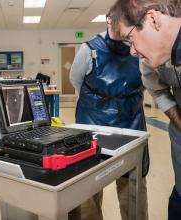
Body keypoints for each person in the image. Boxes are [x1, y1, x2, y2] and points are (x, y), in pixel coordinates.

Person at [69, 18, 149, 220]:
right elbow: (76, 80)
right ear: (109, 22)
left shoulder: (138, 47)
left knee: (133, 184)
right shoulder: (89, 49)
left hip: (131, 121)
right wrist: (100, 102)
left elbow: (147, 80)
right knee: (89, 185)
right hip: (92, 121)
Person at [108, 0, 181, 219]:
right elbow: (158, 91)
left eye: (130, 38)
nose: (132, 51)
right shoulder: (150, 58)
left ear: (152, 19)